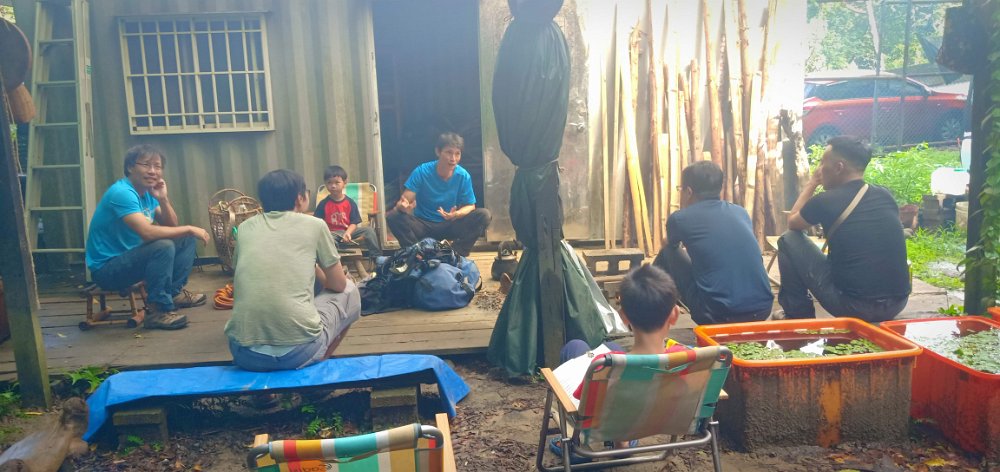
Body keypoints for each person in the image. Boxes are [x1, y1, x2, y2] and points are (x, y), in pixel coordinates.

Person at [225, 169, 361, 372]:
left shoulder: (245, 228)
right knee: (350, 290)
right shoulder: (315, 225)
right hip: (297, 353)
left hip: (244, 354)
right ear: (299, 199)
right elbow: (338, 285)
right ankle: (317, 368)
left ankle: (268, 388)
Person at [778, 136, 910, 322]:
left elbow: (793, 222)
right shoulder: (885, 195)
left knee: (788, 239)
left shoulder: (825, 201)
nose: (819, 169)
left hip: (854, 307)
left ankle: (797, 316)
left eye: (822, 162)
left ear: (839, 167)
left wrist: (812, 183)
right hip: (898, 302)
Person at [85, 144, 210, 330]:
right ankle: (158, 311)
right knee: (164, 245)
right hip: (107, 270)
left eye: (157, 166)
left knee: (184, 239)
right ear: (130, 167)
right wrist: (190, 228)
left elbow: (171, 225)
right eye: (146, 165)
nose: (153, 171)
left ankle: (172, 293)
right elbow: (147, 232)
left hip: (131, 258)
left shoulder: (147, 192)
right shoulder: (122, 193)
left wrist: (163, 199)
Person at [652, 161, 773, 325]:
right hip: (762, 309)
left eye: (680, 190)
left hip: (718, 315)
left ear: (689, 192)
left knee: (668, 252)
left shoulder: (680, 219)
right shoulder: (740, 212)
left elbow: (668, 244)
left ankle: (645, 308)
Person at [560, 264, 690, 399]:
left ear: (624, 316)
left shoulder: (603, 366)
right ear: (675, 315)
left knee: (574, 346)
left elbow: (582, 398)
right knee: (610, 346)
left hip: (610, 409)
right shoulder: (688, 360)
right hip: (666, 410)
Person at [386, 132, 491, 257]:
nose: (453, 158)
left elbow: (470, 206)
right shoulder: (422, 171)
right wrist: (403, 207)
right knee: (393, 216)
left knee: (484, 215)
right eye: (449, 152)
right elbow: (403, 202)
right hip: (423, 225)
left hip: (450, 224)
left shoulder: (463, 175)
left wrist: (456, 214)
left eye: (457, 153)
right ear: (438, 152)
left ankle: (455, 254)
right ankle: (417, 254)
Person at [313, 165, 382, 257]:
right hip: (332, 233)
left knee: (369, 231)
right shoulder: (323, 204)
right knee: (328, 240)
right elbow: (317, 222)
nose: (333, 186)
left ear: (344, 183)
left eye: (337, 182)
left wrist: (348, 233)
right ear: (325, 184)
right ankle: (336, 259)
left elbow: (354, 222)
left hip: (349, 231)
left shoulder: (350, 203)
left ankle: (377, 257)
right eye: (329, 182)